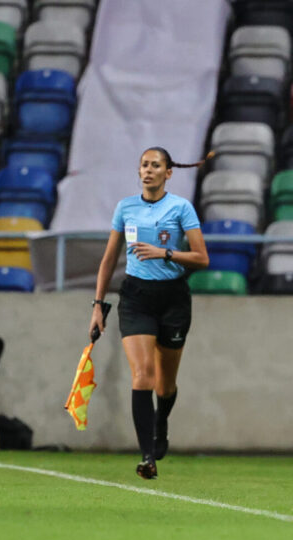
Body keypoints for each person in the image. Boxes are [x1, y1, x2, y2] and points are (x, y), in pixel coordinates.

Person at [89, 147, 210, 480]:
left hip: (173, 299)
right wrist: (98, 306)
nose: (148, 170)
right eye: (144, 164)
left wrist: (165, 253)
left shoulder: (181, 208)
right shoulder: (125, 208)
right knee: (142, 374)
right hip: (136, 297)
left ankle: (161, 423)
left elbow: (202, 258)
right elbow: (108, 260)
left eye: (156, 165)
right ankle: (147, 457)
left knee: (165, 384)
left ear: (168, 173)